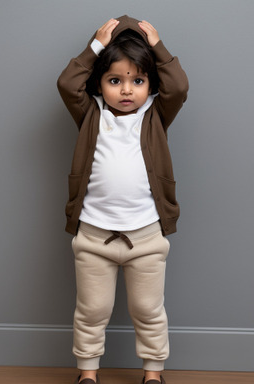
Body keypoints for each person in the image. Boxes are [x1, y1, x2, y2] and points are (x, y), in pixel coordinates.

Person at [57, 15, 188, 384]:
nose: (127, 90)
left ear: (150, 85)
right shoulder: (91, 113)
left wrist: (158, 46)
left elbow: (178, 87)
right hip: (94, 236)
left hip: (145, 238)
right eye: (115, 80)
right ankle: (87, 373)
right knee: (91, 309)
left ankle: (153, 374)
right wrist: (95, 46)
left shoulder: (155, 114)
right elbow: (67, 84)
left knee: (147, 309)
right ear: (100, 83)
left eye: (138, 81)